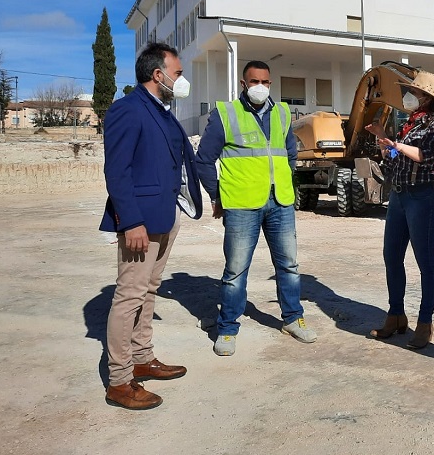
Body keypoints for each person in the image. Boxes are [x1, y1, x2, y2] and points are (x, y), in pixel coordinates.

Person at [100, 43, 203, 410]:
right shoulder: (128, 109)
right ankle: (120, 379)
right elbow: (117, 171)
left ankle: (142, 357)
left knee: (148, 291)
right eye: (177, 72)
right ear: (158, 74)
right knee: (129, 295)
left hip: (165, 215)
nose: (181, 79)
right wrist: (130, 221)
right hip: (140, 222)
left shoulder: (164, 112)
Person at [196, 60, 316, 356]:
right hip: (241, 205)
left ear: (271, 83)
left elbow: (289, 154)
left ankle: (292, 318)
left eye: (265, 82)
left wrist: (286, 184)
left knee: (289, 265)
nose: (260, 87)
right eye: (254, 81)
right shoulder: (226, 114)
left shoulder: (283, 113)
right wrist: (217, 196)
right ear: (243, 84)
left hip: (280, 203)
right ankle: (227, 328)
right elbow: (203, 160)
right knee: (236, 270)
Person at [364, 70, 434, 349]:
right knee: (392, 257)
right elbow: (395, 161)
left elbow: (425, 157)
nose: (409, 96)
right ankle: (396, 315)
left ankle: (425, 323)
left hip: (423, 198)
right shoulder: (409, 125)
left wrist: (395, 145)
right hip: (400, 197)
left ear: (427, 98)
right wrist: (385, 147)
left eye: (415, 92)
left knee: (426, 263)